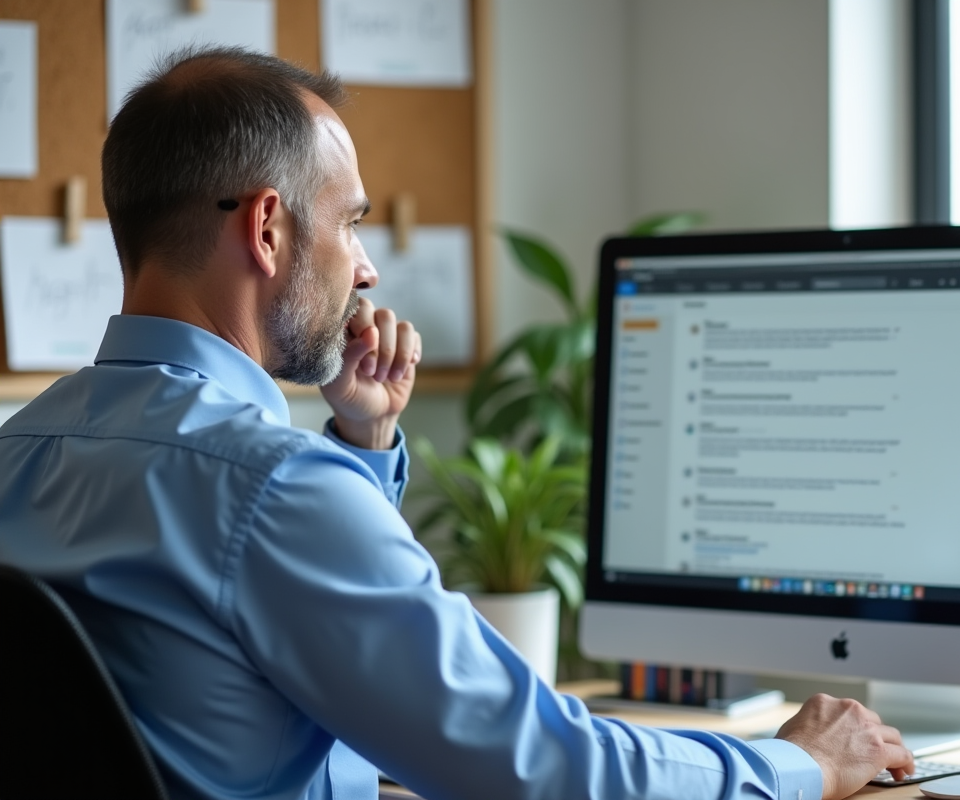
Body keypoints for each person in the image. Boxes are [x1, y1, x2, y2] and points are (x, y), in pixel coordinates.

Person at [0, 47, 913, 800]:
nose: (365, 270)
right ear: (269, 230)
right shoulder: (271, 489)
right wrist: (805, 763)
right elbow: (550, 770)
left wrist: (359, 446)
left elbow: (230, 655)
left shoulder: (19, 455)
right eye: (350, 222)